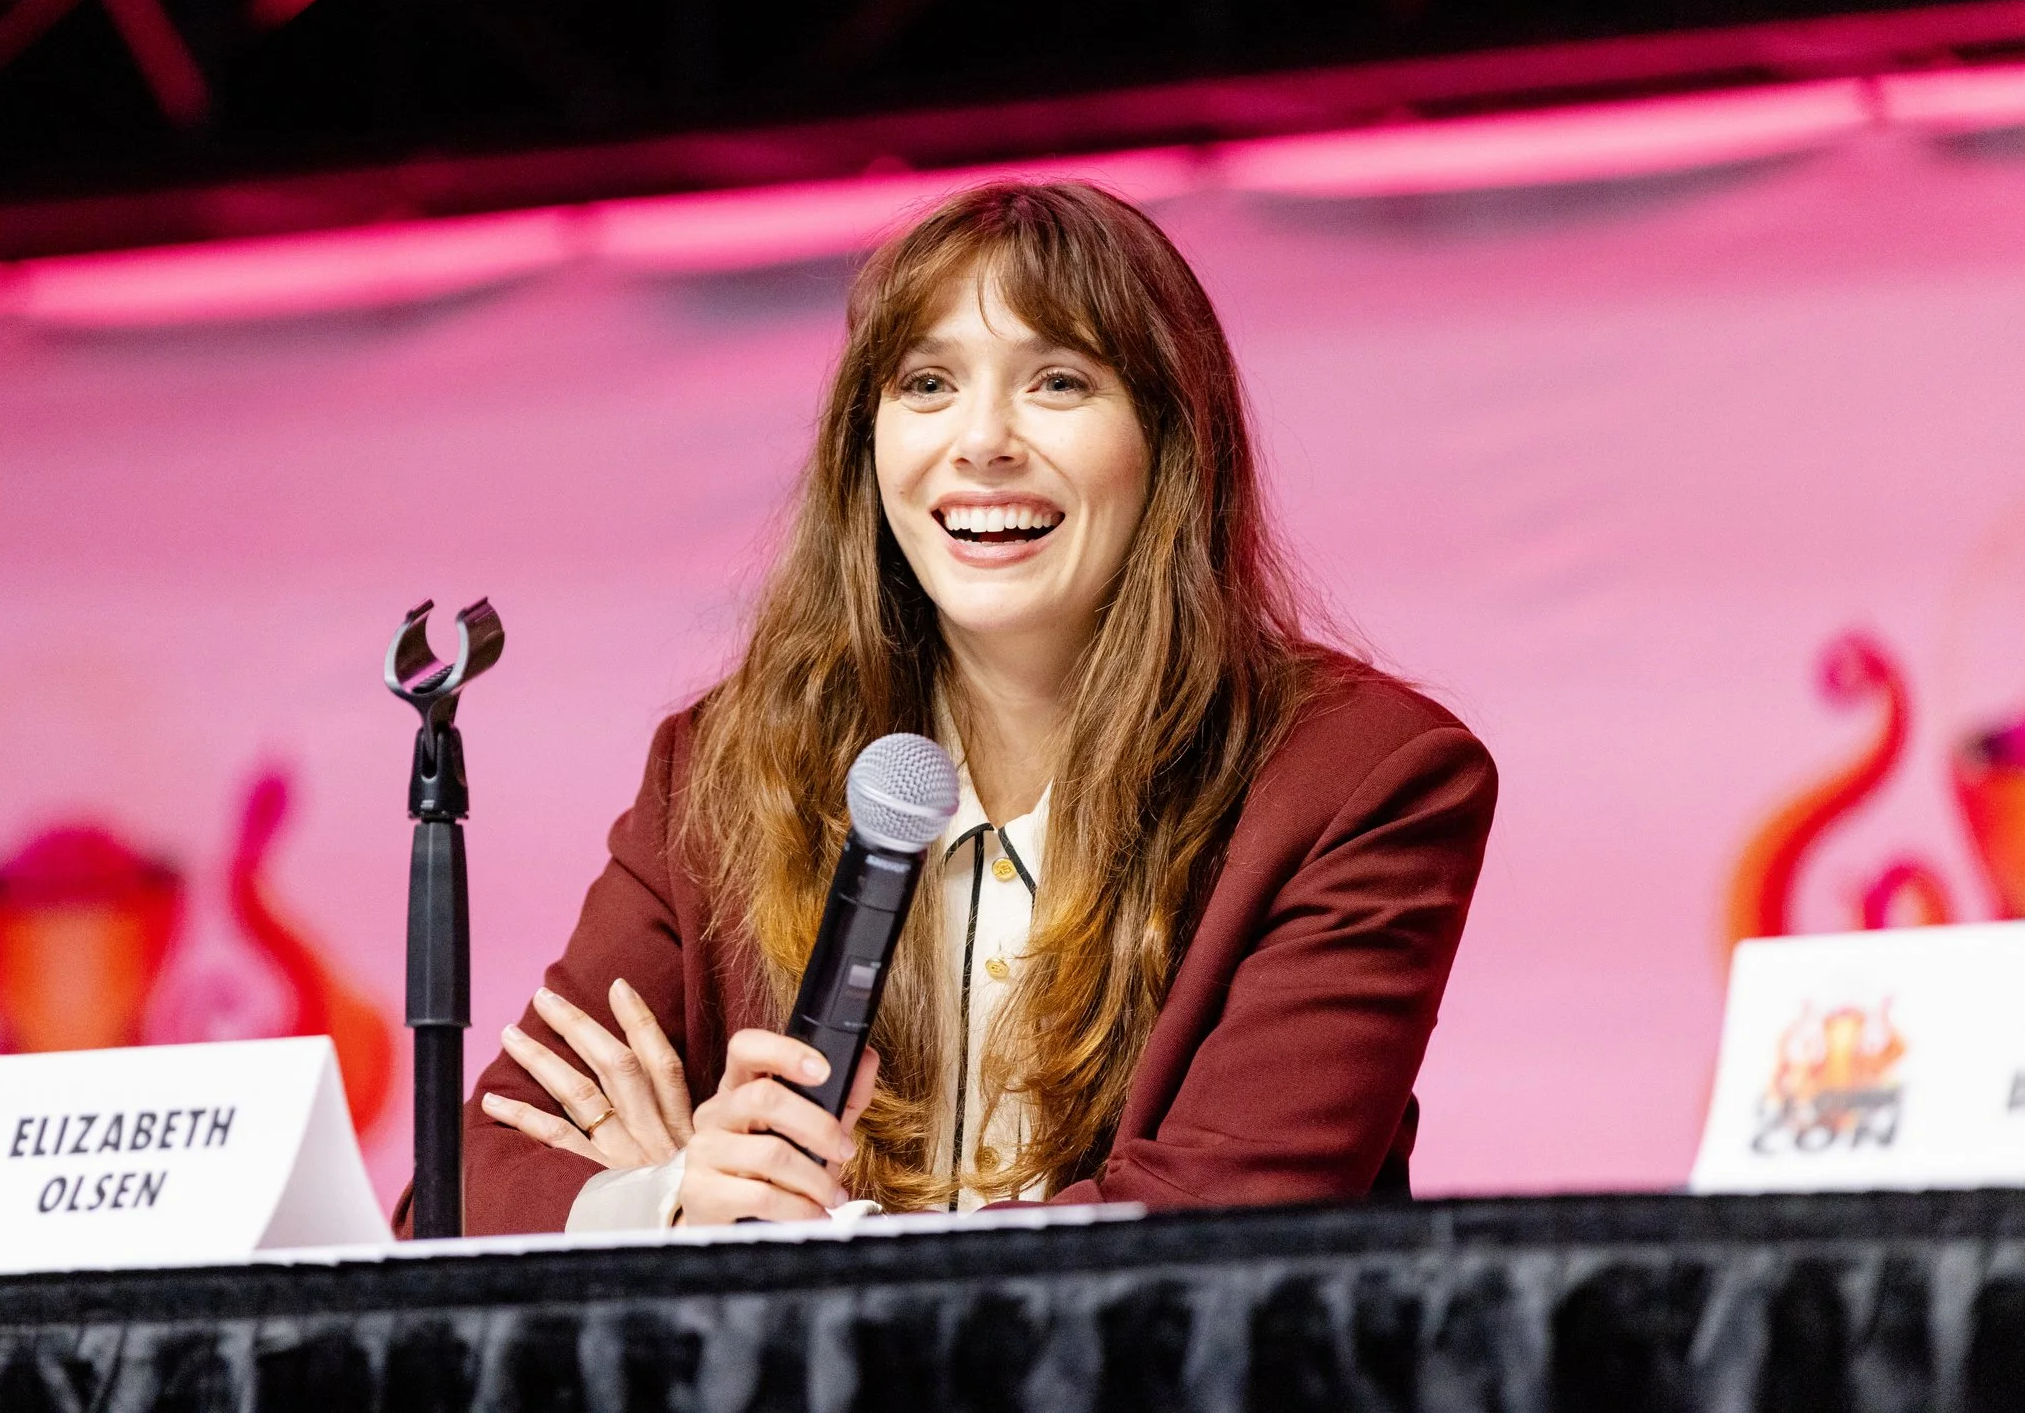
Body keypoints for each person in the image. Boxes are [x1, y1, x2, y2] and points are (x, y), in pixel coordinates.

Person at [448, 181, 1495, 1233]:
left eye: (1056, 380)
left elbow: (1207, 1233)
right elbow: (456, 1193)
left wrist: (782, 1239)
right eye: (927, 383)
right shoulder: (721, 769)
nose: (980, 439)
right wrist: (674, 1198)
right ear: (867, 448)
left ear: (1171, 441)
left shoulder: (1363, 778)